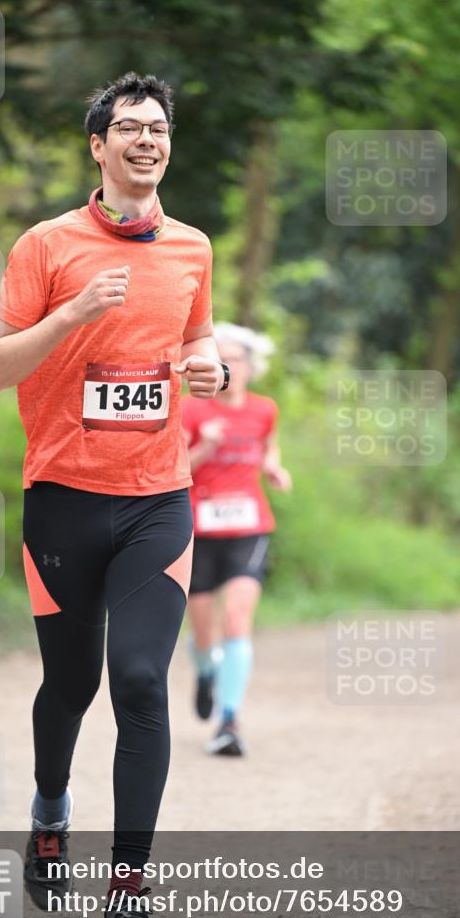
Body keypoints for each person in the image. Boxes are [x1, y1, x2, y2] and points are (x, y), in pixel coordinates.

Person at [0, 72, 229, 918]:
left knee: (139, 682)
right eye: (127, 128)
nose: (145, 140)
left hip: (158, 500)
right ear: (97, 145)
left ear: (168, 143)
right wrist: (75, 312)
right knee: (71, 684)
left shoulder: (193, 247)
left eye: (157, 128)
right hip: (63, 501)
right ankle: (50, 811)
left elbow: (196, 341)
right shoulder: (47, 246)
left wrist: (210, 372)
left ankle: (127, 902)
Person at [181, 323, 291, 757]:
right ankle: (207, 671)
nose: (228, 367)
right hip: (198, 530)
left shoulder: (265, 409)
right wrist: (203, 449)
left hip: (249, 528)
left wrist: (274, 468)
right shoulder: (191, 411)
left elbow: (269, 446)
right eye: (219, 359)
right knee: (204, 633)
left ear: (250, 367)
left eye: (236, 359)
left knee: (237, 620)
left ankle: (229, 722)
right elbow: (172, 470)